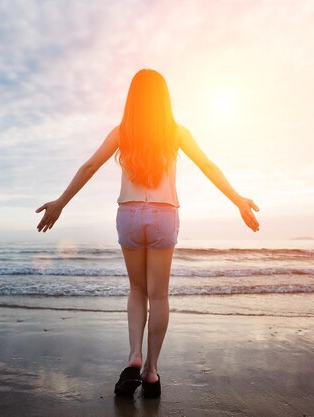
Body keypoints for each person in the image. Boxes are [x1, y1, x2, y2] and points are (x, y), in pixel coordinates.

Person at [35, 69, 260, 399]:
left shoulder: (122, 131)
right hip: (163, 214)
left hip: (128, 214)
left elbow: (88, 167)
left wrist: (60, 203)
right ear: (163, 99)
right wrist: (238, 200)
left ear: (133, 98)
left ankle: (133, 357)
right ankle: (151, 371)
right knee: (159, 295)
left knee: (137, 290)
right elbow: (209, 167)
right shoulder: (176, 132)